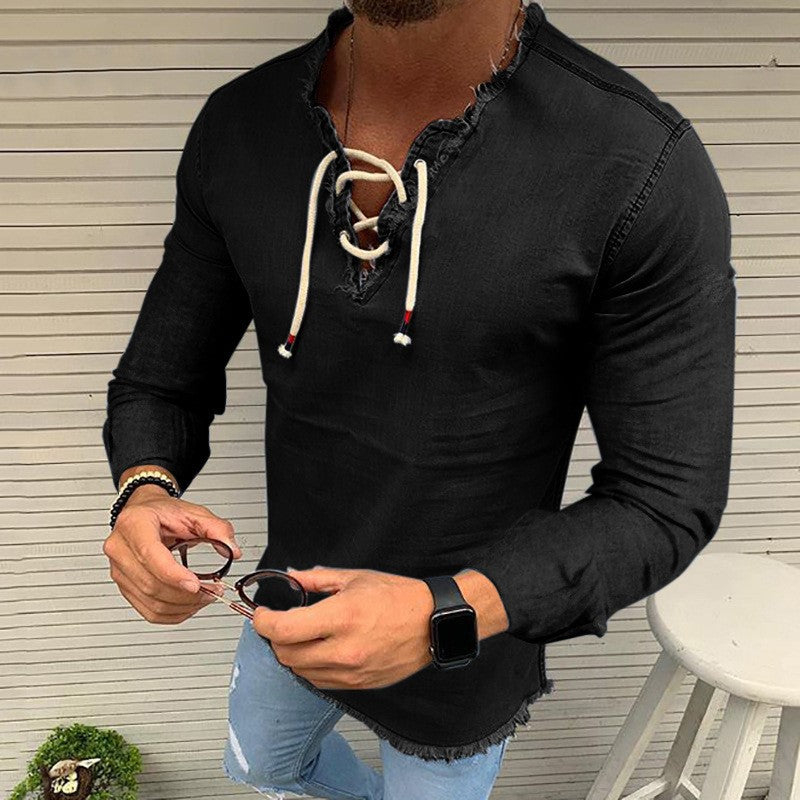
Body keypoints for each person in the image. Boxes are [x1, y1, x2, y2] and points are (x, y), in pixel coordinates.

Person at [100, 0, 737, 797]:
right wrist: (143, 490)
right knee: (259, 766)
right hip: (287, 595)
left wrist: (450, 612)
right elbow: (160, 378)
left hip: (467, 644)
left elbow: (664, 499)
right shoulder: (242, 127)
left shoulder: (637, 164)